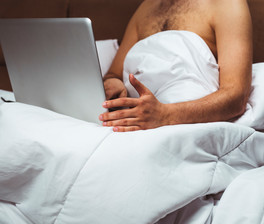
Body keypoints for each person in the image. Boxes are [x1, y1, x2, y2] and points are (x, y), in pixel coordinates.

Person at [99, 0, 253, 132]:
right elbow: (113, 74)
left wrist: (164, 115)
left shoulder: (225, 3)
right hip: (134, 122)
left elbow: (236, 97)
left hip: (187, 126)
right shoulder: (147, 7)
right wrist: (113, 83)